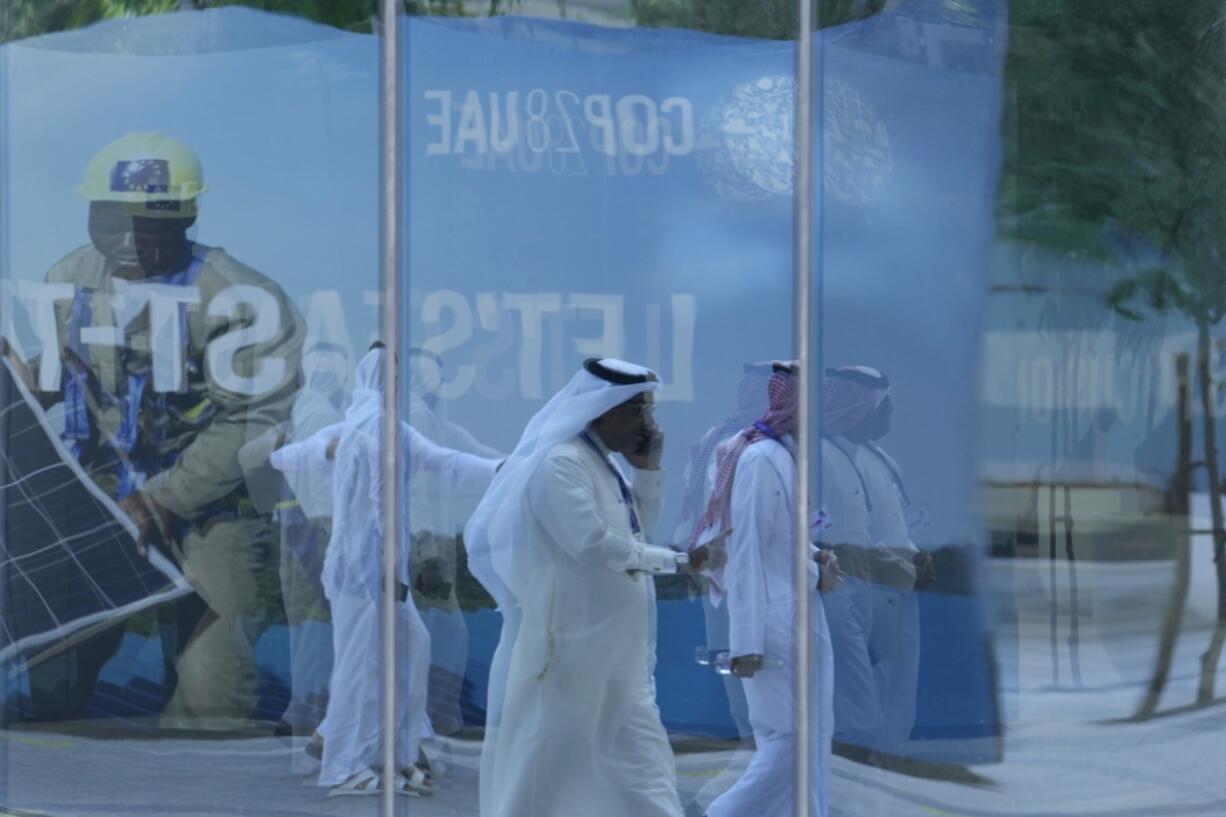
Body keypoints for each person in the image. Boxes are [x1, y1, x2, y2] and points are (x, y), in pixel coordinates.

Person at [26, 132, 303, 729]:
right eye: (113, 221)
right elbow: (61, 375)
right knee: (54, 665)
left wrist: (160, 500)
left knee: (212, 691)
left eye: (153, 225)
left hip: (212, 508)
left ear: (188, 219)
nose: (131, 240)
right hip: (101, 499)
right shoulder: (67, 279)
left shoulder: (240, 297)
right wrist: (18, 377)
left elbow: (253, 421)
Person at [464, 357, 694, 817]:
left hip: (620, 660)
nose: (648, 424)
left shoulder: (605, 466)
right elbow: (592, 545)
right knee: (544, 771)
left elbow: (634, 539)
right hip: (568, 653)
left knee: (644, 768)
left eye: (649, 412)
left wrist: (647, 472)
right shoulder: (560, 463)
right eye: (638, 411)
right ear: (602, 408)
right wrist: (680, 561)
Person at [270, 343, 499, 797]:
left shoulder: (380, 424)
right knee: (358, 669)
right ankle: (342, 768)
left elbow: (445, 461)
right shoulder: (368, 425)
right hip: (361, 574)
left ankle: (396, 755)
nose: (402, 382)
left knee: (414, 649)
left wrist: (504, 468)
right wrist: (321, 453)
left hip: (381, 574)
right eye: (394, 375)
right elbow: (373, 505)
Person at [692, 363, 838, 817]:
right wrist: (746, 643)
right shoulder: (758, 460)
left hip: (796, 612)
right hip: (775, 623)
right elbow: (747, 551)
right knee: (789, 741)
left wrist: (816, 556)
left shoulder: (781, 454)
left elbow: (783, 536)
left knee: (810, 738)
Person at [818, 365, 934, 759]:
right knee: (860, 693)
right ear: (859, 409)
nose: (889, 415)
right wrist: (903, 569)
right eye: (883, 407)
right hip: (855, 587)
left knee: (898, 684)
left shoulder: (876, 456)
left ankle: (889, 760)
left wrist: (916, 556)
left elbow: (891, 524)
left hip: (894, 585)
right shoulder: (822, 459)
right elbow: (842, 540)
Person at [238, 340, 351, 745]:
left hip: (303, 525)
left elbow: (250, 457)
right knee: (317, 623)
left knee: (311, 623)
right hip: (313, 528)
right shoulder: (314, 413)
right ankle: (310, 709)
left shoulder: (309, 413)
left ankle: (307, 707)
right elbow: (252, 456)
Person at [404, 346, 502, 737]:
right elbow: (413, 491)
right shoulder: (413, 416)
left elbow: (475, 455)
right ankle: (432, 721)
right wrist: (427, 553)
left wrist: (525, 466)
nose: (442, 383)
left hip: (433, 547)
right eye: (435, 374)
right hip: (421, 549)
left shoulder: (431, 417)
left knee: (433, 635)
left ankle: (431, 720)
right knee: (445, 633)